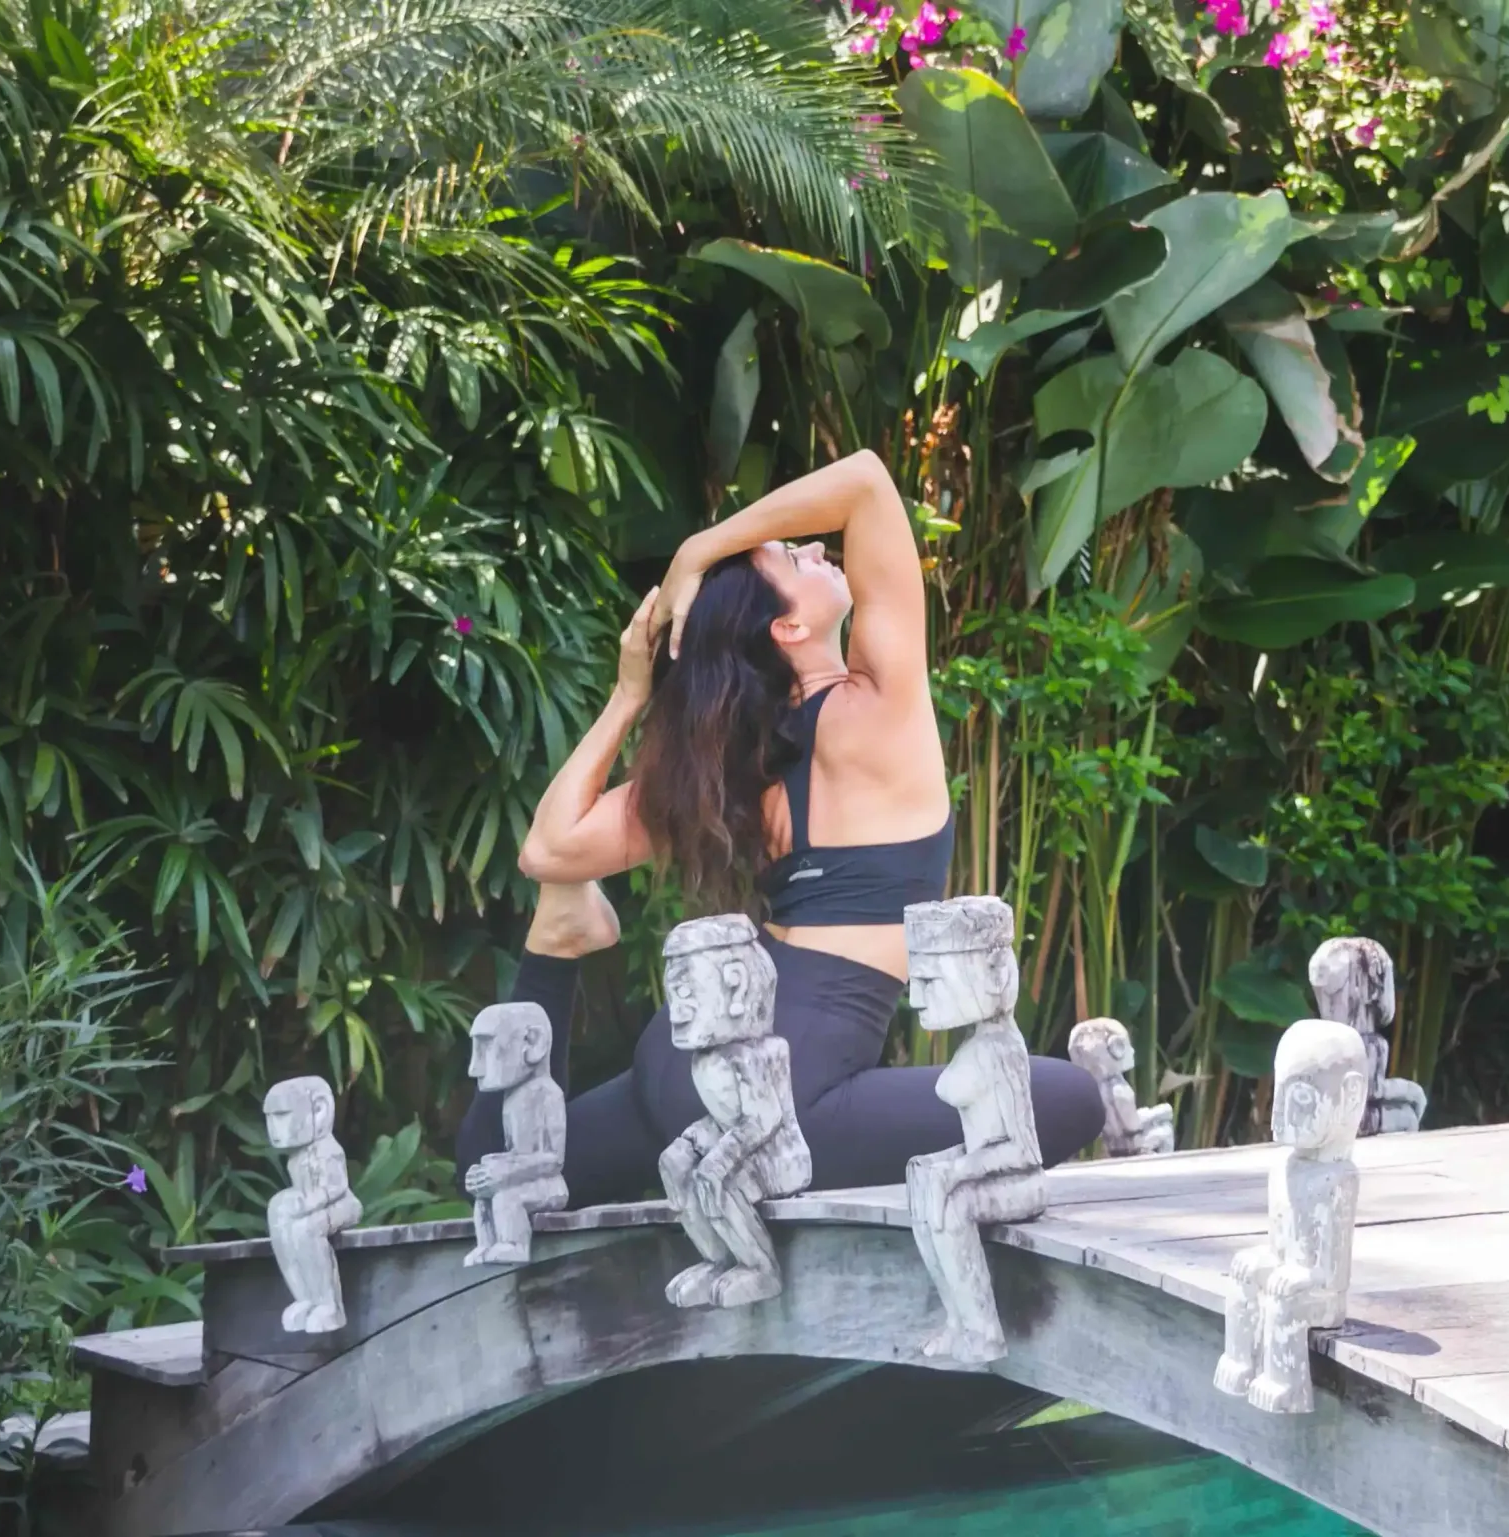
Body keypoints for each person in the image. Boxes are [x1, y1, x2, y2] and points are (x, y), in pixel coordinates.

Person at [454, 449, 1105, 1207]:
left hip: (683, 1063)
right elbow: (865, 484)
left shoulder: (737, 767)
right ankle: (569, 939)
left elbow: (550, 849)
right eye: (796, 557)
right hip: (786, 1102)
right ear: (790, 625)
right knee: (1070, 1098)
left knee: (501, 1162)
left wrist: (628, 696)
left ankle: (555, 943)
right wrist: (701, 550)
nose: (818, 546)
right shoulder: (877, 710)